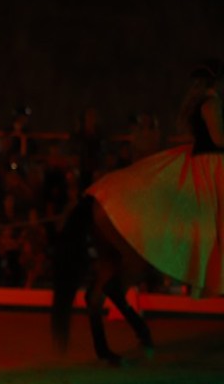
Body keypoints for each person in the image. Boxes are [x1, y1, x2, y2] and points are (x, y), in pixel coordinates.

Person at [86, 60, 223, 298]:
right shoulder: (212, 103)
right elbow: (219, 139)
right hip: (213, 164)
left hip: (201, 160)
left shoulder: (201, 103)